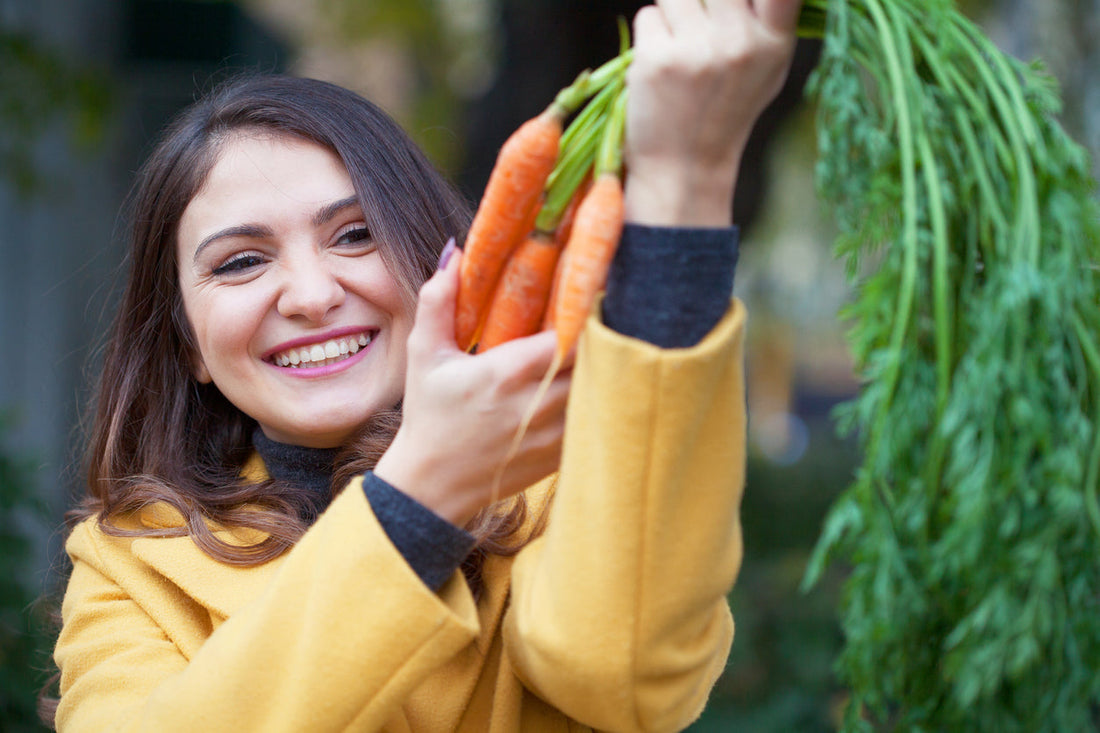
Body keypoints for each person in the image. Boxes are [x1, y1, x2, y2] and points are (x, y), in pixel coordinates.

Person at [47, 0, 802, 730]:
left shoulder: (563, 482)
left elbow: (624, 679)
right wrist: (423, 491)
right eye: (242, 262)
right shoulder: (131, 568)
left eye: (355, 235)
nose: (312, 295)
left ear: (429, 261)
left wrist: (687, 185)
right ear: (187, 345)